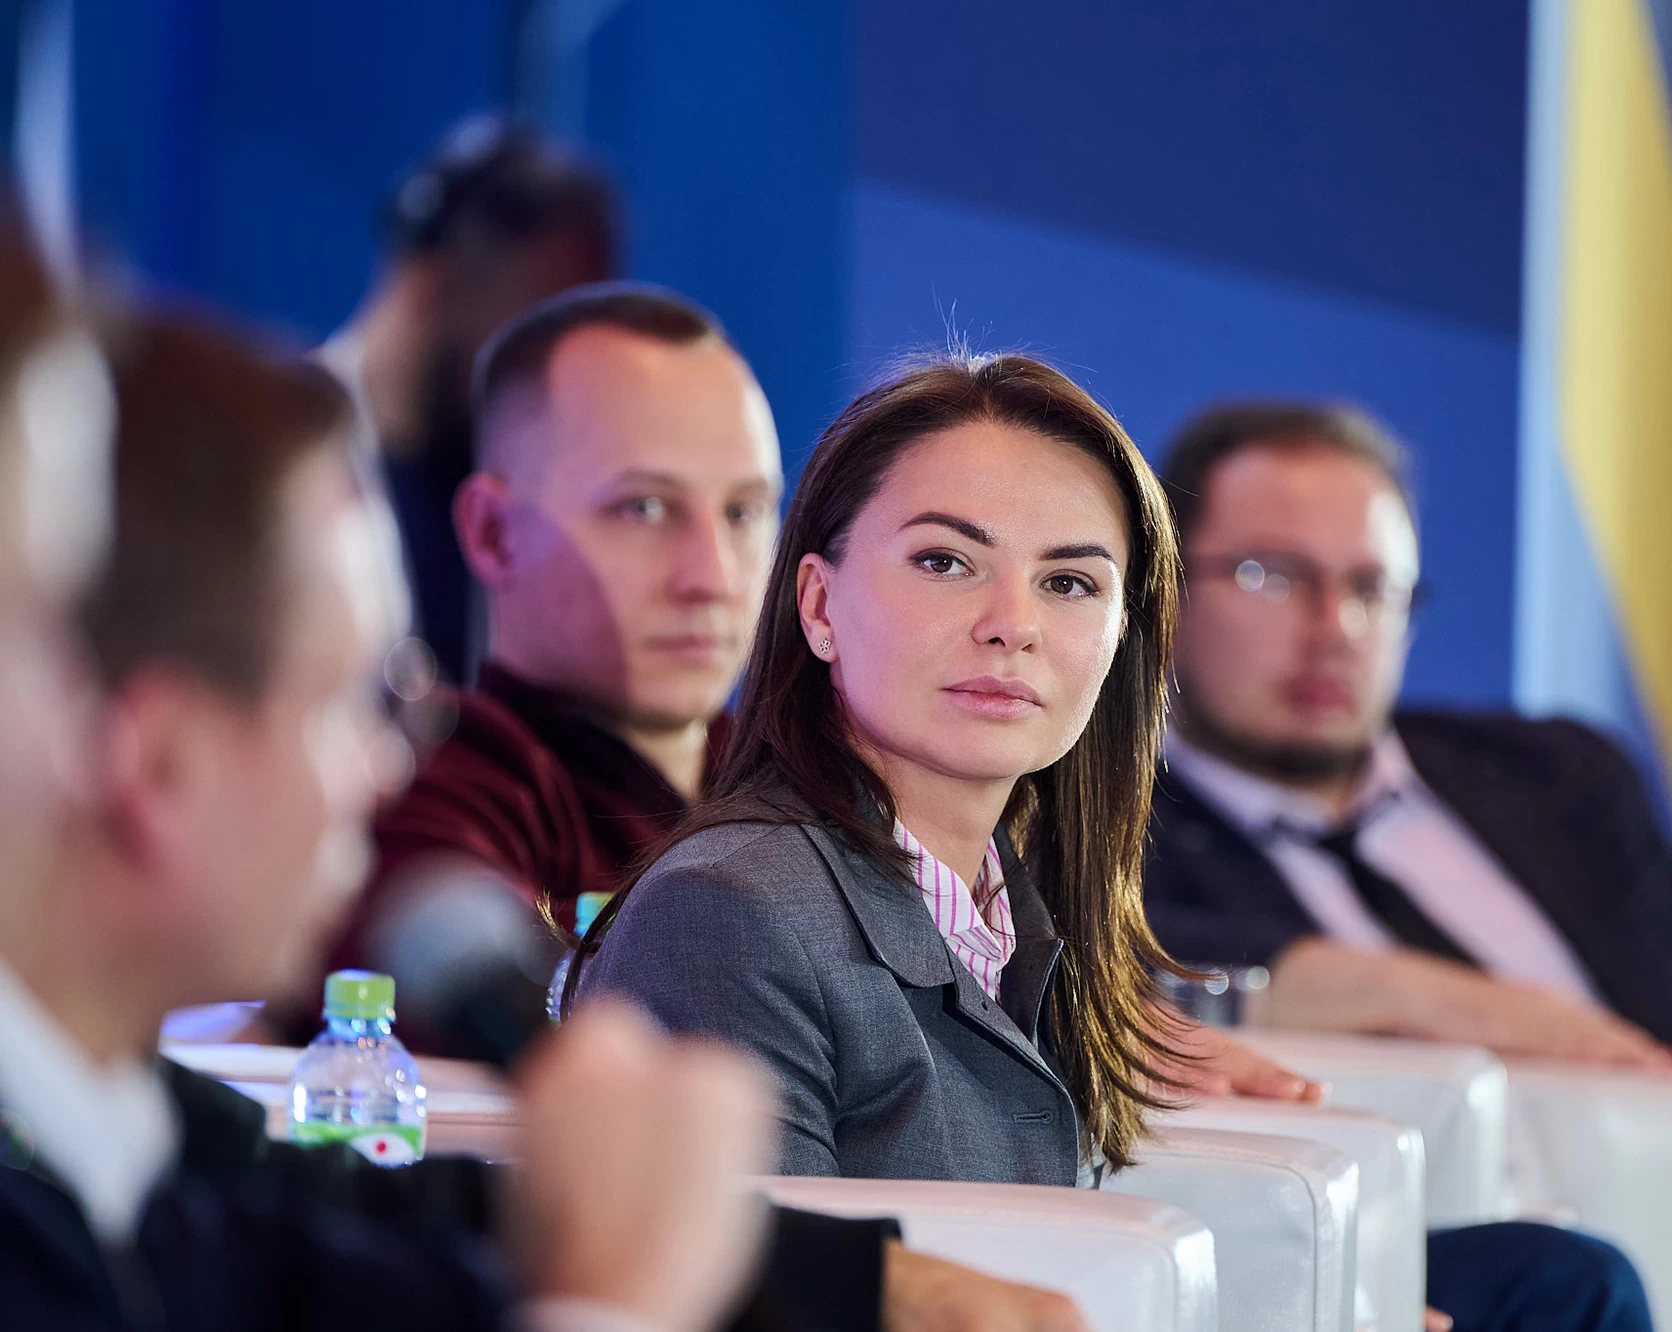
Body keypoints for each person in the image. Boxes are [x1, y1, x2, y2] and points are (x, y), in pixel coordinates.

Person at [577, 354, 1655, 1332]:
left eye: (1069, 582)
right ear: (818, 605)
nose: (1013, 623)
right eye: (946, 562)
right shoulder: (729, 911)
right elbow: (747, 1298)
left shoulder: (1017, 899)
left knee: (1554, 1283)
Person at [0, 247, 774, 1331]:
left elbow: (354, 1237)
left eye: (746, 512)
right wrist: (608, 1309)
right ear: (161, 756)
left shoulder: (135, 1146)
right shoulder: (465, 802)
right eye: (344, 703)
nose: (712, 576)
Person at [336, 281, 1313, 1103]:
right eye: (643, 508)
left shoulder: (862, 799)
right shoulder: (408, 794)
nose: (711, 574)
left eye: (744, 511)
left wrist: (1098, 1029)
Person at [1142, 400, 1672, 1332]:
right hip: (1530, 1277)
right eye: (1273, 576)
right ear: (1166, 591)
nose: (1335, 627)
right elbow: (1153, 965)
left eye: (1373, 586)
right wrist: (1445, 1001)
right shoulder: (1115, 831)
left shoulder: (1556, 778)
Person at [320, 115, 617, 682]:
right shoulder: (271, 467)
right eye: (533, 335)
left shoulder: (519, 498)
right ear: (431, 285)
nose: (554, 380)